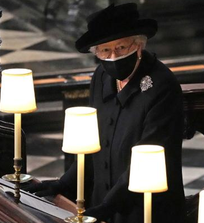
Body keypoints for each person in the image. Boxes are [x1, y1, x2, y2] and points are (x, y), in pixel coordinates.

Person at [25, 3, 186, 223]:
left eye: (121, 48)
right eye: (104, 50)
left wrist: (109, 207)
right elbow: (93, 147)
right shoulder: (101, 77)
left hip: (145, 210)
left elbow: (149, 160)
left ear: (138, 45)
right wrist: (63, 184)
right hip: (101, 206)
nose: (112, 56)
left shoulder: (161, 86)